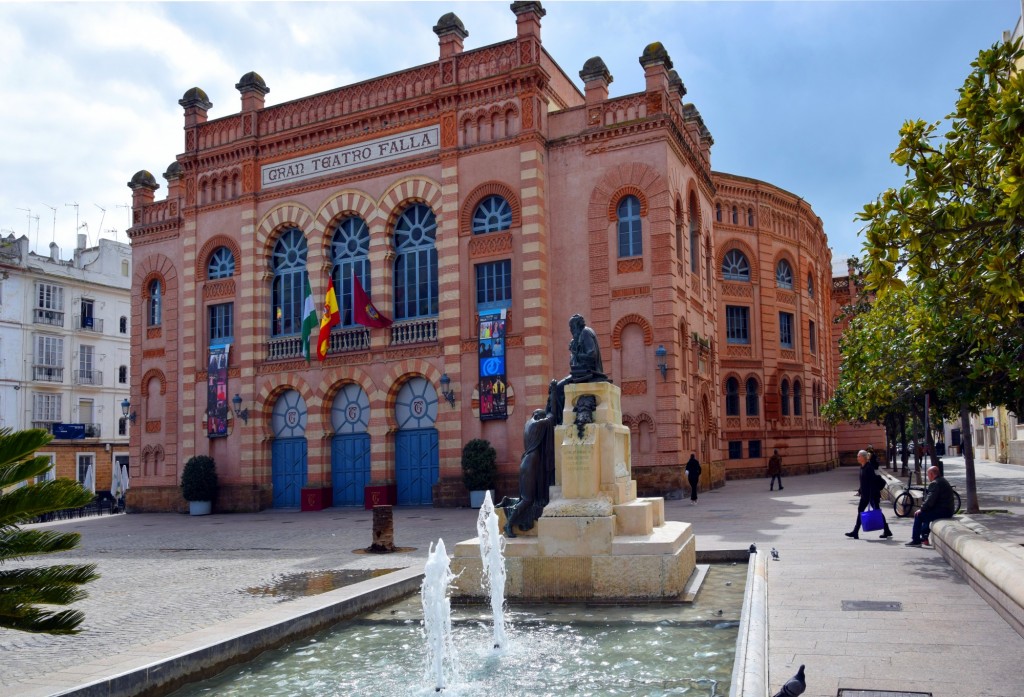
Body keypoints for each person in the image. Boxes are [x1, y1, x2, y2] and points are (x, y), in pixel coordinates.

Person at [499, 409, 557, 537]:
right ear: (537, 416)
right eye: (540, 416)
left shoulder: (527, 424)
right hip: (530, 465)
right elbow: (551, 418)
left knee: (527, 496)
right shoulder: (537, 424)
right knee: (527, 499)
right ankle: (509, 524)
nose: (541, 418)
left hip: (526, 462)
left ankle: (507, 501)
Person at [550, 314, 610, 424]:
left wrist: (576, 354)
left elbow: (592, 355)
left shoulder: (586, 332)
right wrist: (573, 352)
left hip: (590, 373)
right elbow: (573, 364)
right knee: (555, 388)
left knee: (558, 388)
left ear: (577, 326)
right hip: (580, 373)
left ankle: (559, 421)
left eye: (572, 327)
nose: (571, 331)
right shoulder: (578, 338)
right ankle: (558, 419)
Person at [845, 449, 892, 539]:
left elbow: (872, 482)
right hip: (865, 494)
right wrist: (860, 490)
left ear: (863, 457)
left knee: (877, 512)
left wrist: (871, 496)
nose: (857, 458)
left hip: (872, 495)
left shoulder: (868, 467)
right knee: (861, 511)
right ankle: (856, 532)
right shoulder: (862, 467)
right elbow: (864, 481)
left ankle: (886, 530)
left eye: (858, 456)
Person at [906, 465, 956, 547]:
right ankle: (924, 537)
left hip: (942, 511)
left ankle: (916, 540)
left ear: (932, 474)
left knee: (918, 515)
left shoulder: (935, 483)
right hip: (947, 510)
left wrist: (921, 509)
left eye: (928, 474)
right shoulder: (942, 480)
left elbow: (930, 500)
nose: (927, 477)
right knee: (927, 513)